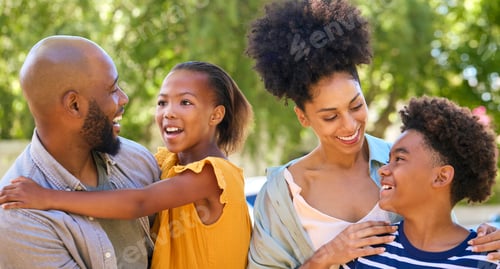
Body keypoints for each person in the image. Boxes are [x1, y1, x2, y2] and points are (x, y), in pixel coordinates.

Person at [245, 0, 500, 268]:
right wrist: (327, 256)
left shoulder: (403, 164)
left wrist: (488, 243)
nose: (349, 125)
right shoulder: (282, 194)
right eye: (330, 116)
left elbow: (441, 234)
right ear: (303, 117)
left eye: (356, 105)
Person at [0, 61, 254, 269]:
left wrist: (49, 197)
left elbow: (138, 202)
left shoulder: (213, 175)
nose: (169, 112)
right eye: (163, 102)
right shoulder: (164, 162)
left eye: (185, 102)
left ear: (216, 115)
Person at [0, 35, 161, 268]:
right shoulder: (19, 218)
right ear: (74, 105)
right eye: (112, 89)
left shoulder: (137, 160)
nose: (123, 98)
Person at [343, 96, 500, 268]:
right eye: (389, 160)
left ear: (441, 177)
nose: (383, 170)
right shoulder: (366, 250)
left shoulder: (487, 259)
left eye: (399, 159)